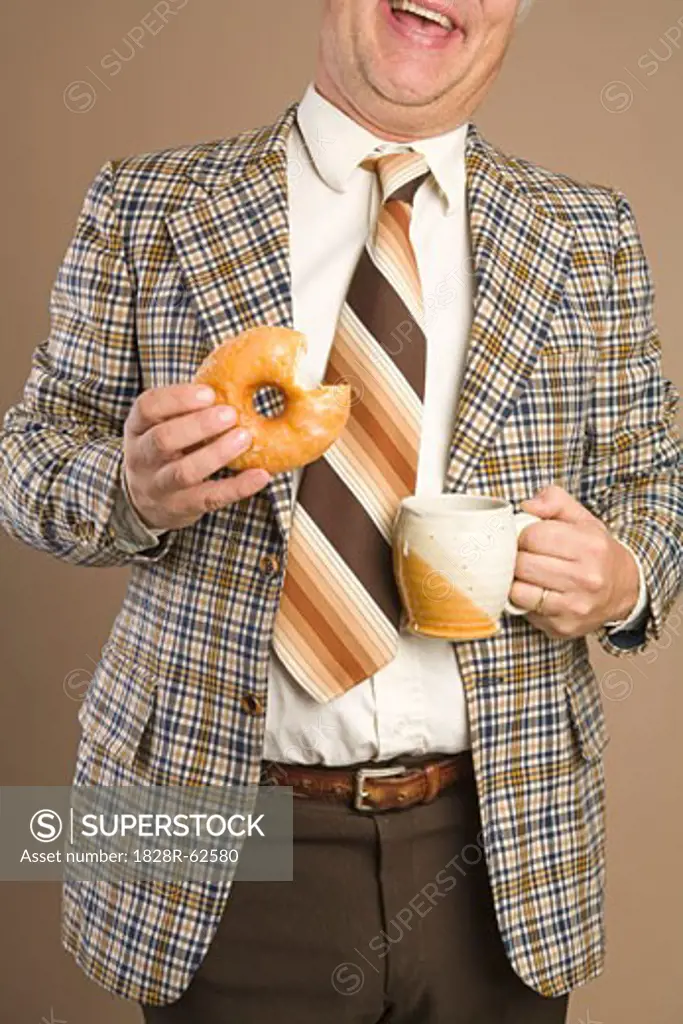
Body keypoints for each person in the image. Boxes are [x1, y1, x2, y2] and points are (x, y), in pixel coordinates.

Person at [1, 0, 681, 1021]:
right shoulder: (147, 203)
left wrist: (624, 574)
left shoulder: (588, 233)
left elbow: (656, 482)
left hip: (498, 846)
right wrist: (128, 489)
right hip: (214, 842)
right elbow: (31, 459)